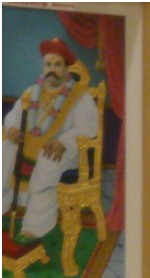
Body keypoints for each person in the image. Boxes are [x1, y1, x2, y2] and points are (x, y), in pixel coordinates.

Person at [2, 39, 98, 243]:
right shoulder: (32, 92)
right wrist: (12, 130)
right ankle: (4, 207)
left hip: (64, 152)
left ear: (66, 68)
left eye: (57, 65)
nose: (51, 69)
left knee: (48, 160)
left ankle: (33, 228)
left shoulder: (81, 97)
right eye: (48, 64)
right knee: (6, 148)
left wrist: (63, 142)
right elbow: (14, 116)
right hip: (28, 144)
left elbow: (87, 128)